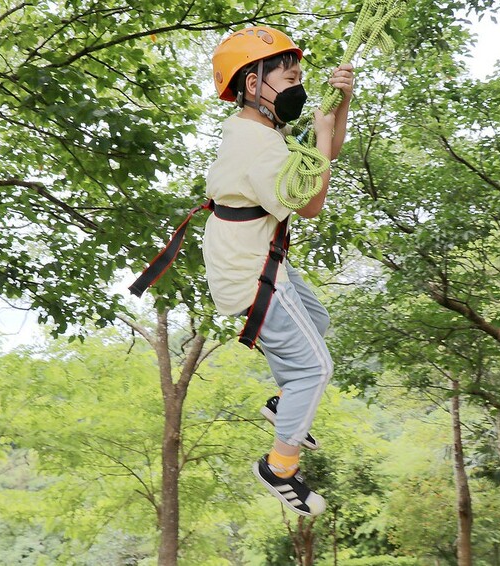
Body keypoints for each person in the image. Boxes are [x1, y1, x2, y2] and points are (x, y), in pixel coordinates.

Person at [204, 26, 354, 517]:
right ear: (254, 85)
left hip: (253, 259)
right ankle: (280, 467)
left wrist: (340, 107)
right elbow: (311, 204)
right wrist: (324, 129)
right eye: (289, 78)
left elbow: (322, 157)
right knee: (317, 367)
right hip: (252, 272)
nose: (298, 87)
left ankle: (284, 401)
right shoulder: (259, 147)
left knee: (319, 325)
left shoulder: (263, 131)